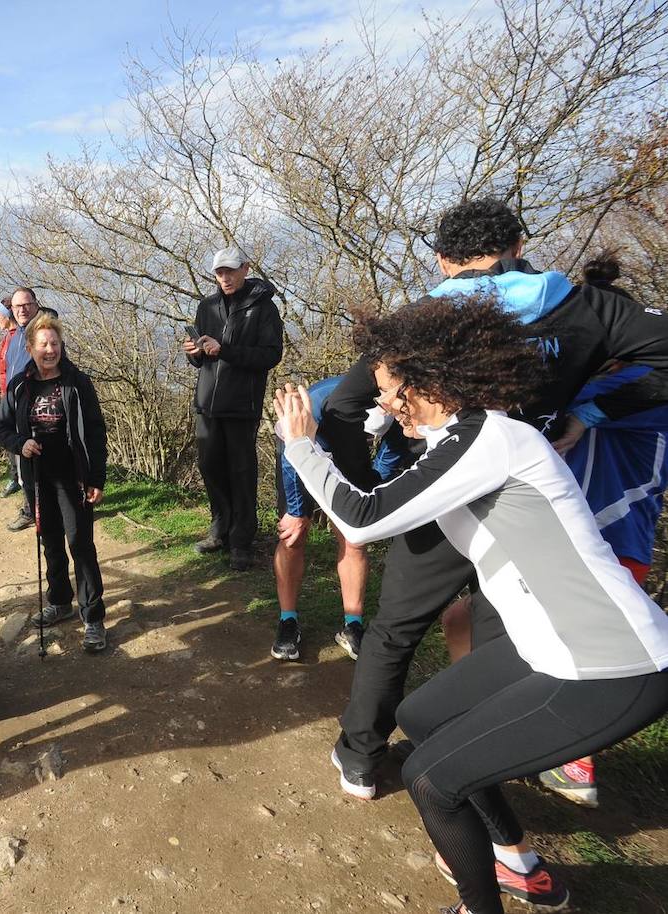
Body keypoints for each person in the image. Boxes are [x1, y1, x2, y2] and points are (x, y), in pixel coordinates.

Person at [276, 293, 668, 914]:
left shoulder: (489, 438)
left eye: (389, 389)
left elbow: (364, 516)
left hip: (611, 665)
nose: (383, 403)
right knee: (425, 715)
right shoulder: (461, 439)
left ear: (426, 381)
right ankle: (515, 861)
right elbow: (384, 494)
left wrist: (301, 444)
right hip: (548, 645)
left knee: (430, 780)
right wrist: (373, 430)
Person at [317, 198, 668, 816]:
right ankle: (498, 755)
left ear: (442, 258)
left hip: (442, 495)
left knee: (396, 630)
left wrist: (365, 476)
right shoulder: (582, 305)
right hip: (531, 499)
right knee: (503, 635)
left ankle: (361, 757)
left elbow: (344, 406)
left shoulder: (421, 320)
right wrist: (587, 412)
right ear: (518, 243)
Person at [270, 376, 413, 662]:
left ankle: (353, 625)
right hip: (299, 443)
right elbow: (292, 444)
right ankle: (288, 621)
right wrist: (297, 511)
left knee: (353, 536)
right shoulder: (326, 399)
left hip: (350, 454)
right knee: (294, 532)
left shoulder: (409, 402)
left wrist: (371, 492)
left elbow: (392, 451)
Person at [0, 314, 110, 653]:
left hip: (73, 478)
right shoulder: (19, 385)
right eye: (43, 344)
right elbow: (0, 428)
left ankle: (93, 618)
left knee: (81, 546)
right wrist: (21, 444)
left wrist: (97, 478)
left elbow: (96, 432)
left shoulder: (78, 383)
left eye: (55, 344)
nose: (50, 350)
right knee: (51, 544)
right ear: (30, 348)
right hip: (38, 479)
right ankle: (60, 602)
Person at [182, 247, 284, 571]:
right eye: (219, 272)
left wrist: (224, 350)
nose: (224, 277)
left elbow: (270, 356)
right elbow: (200, 359)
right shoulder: (207, 306)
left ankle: (242, 541)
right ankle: (220, 531)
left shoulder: (264, 308)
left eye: (230, 270)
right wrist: (193, 353)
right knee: (210, 467)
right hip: (207, 404)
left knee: (241, 472)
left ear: (245, 269)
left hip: (243, 405)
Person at [4, 287, 42, 532]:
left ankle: (36, 511)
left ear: (36, 304)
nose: (21, 310)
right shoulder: (16, 334)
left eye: (26, 304)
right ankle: (32, 508)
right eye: (16, 306)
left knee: (36, 463)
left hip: (37, 409)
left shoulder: (41, 332)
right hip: (16, 407)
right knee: (23, 463)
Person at [0, 298, 23, 498]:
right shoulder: (7, 337)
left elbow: (3, 364)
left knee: (14, 436)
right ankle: (15, 476)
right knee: (8, 436)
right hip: (7, 394)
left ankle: (19, 479)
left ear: (7, 316)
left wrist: (1, 363)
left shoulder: (17, 337)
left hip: (14, 396)